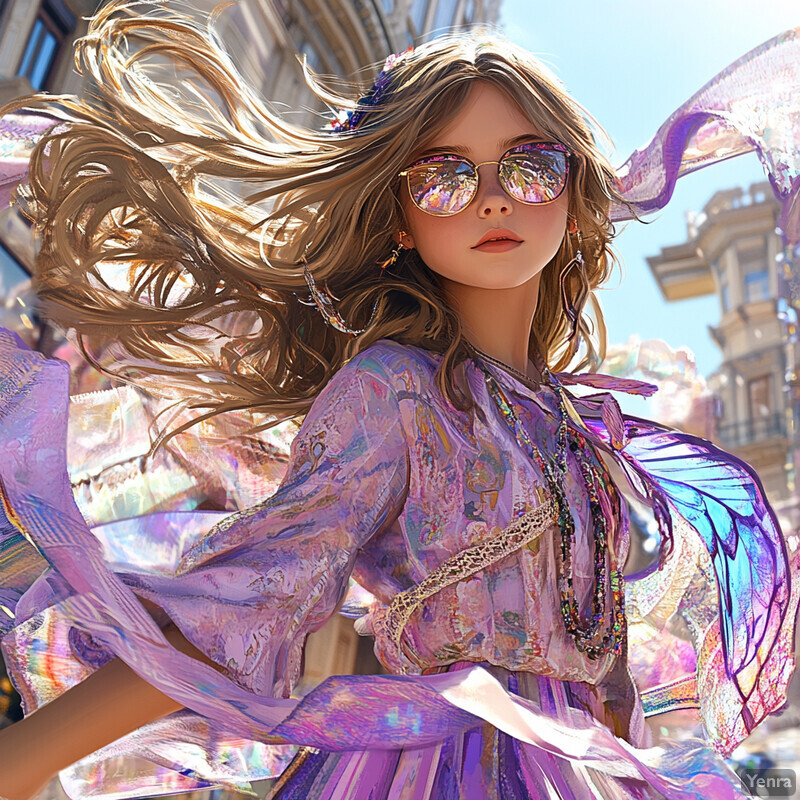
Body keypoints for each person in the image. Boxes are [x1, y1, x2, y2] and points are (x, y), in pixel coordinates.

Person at [0, 3, 798, 798]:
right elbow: (247, 606)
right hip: (425, 772)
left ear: (574, 192)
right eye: (444, 175)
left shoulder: (581, 429)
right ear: (403, 222)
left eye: (530, 165)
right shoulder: (394, 390)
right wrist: (19, 764)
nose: (492, 198)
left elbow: (602, 657)